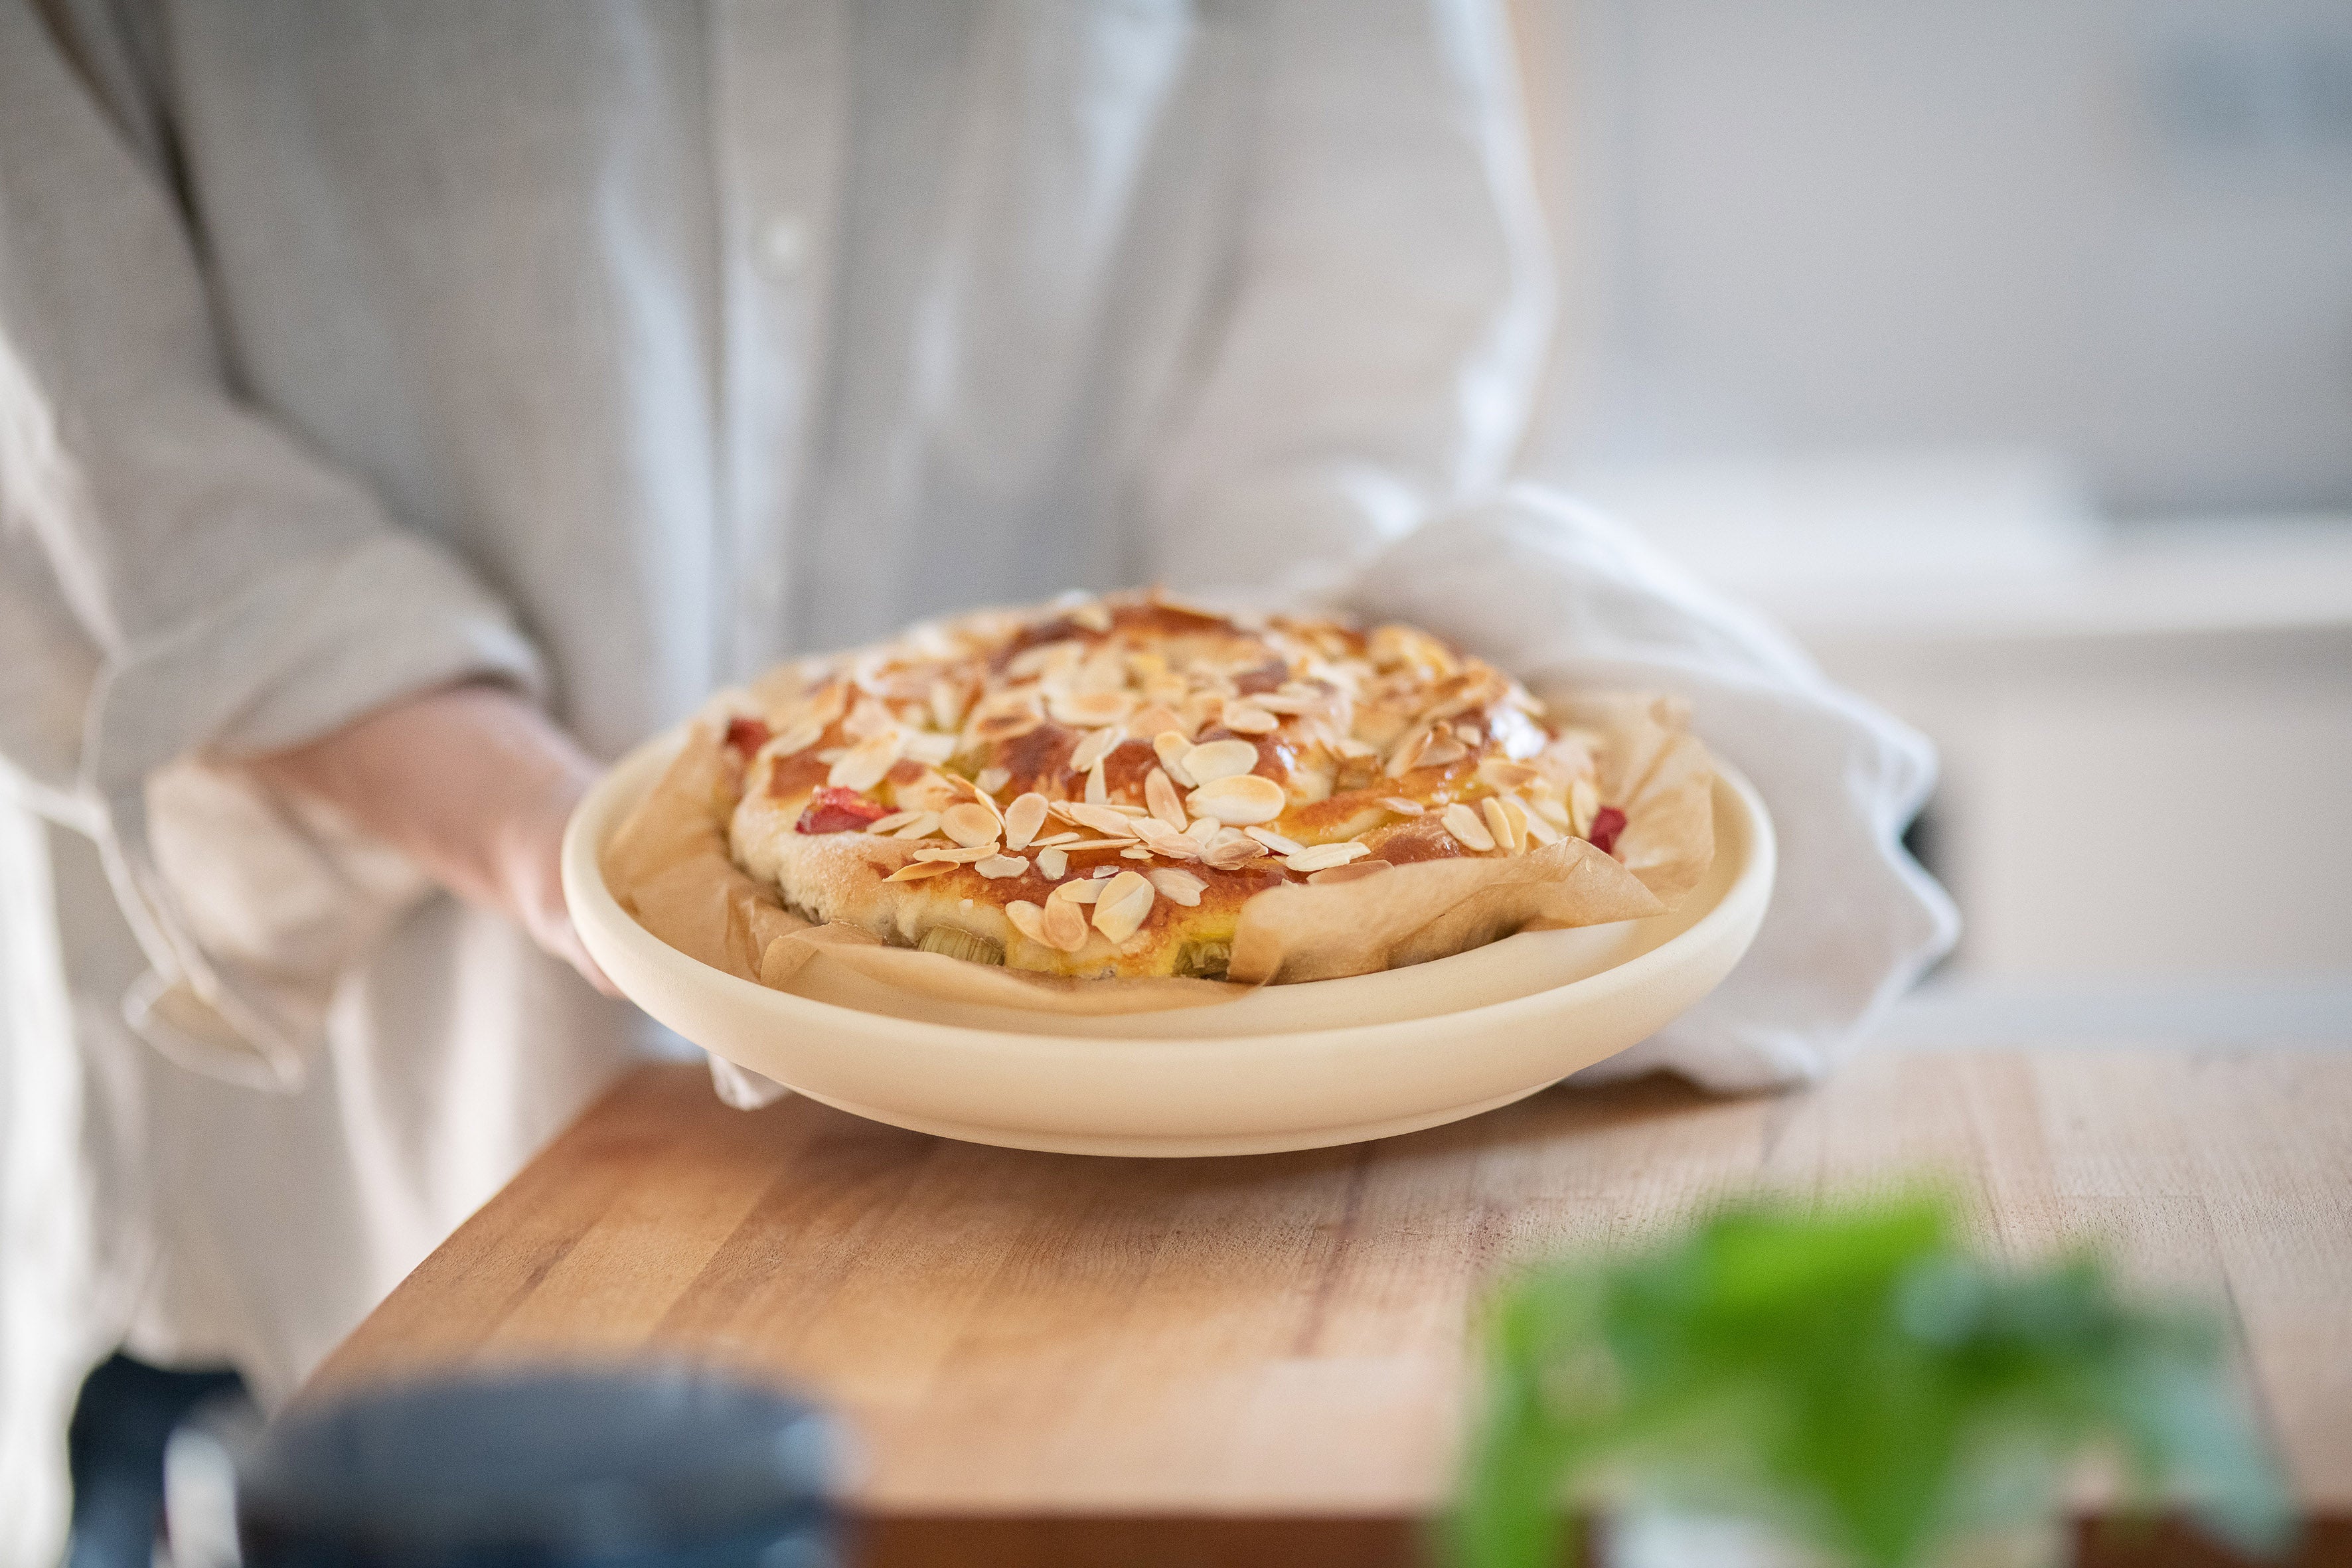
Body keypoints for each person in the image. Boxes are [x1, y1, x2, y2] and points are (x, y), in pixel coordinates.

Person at [0, 3, 1956, 1562]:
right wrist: (562, 843)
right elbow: (93, 400)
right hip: (360, 1212)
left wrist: (1258, 780)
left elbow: (1370, 292)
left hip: (1174, 1245)